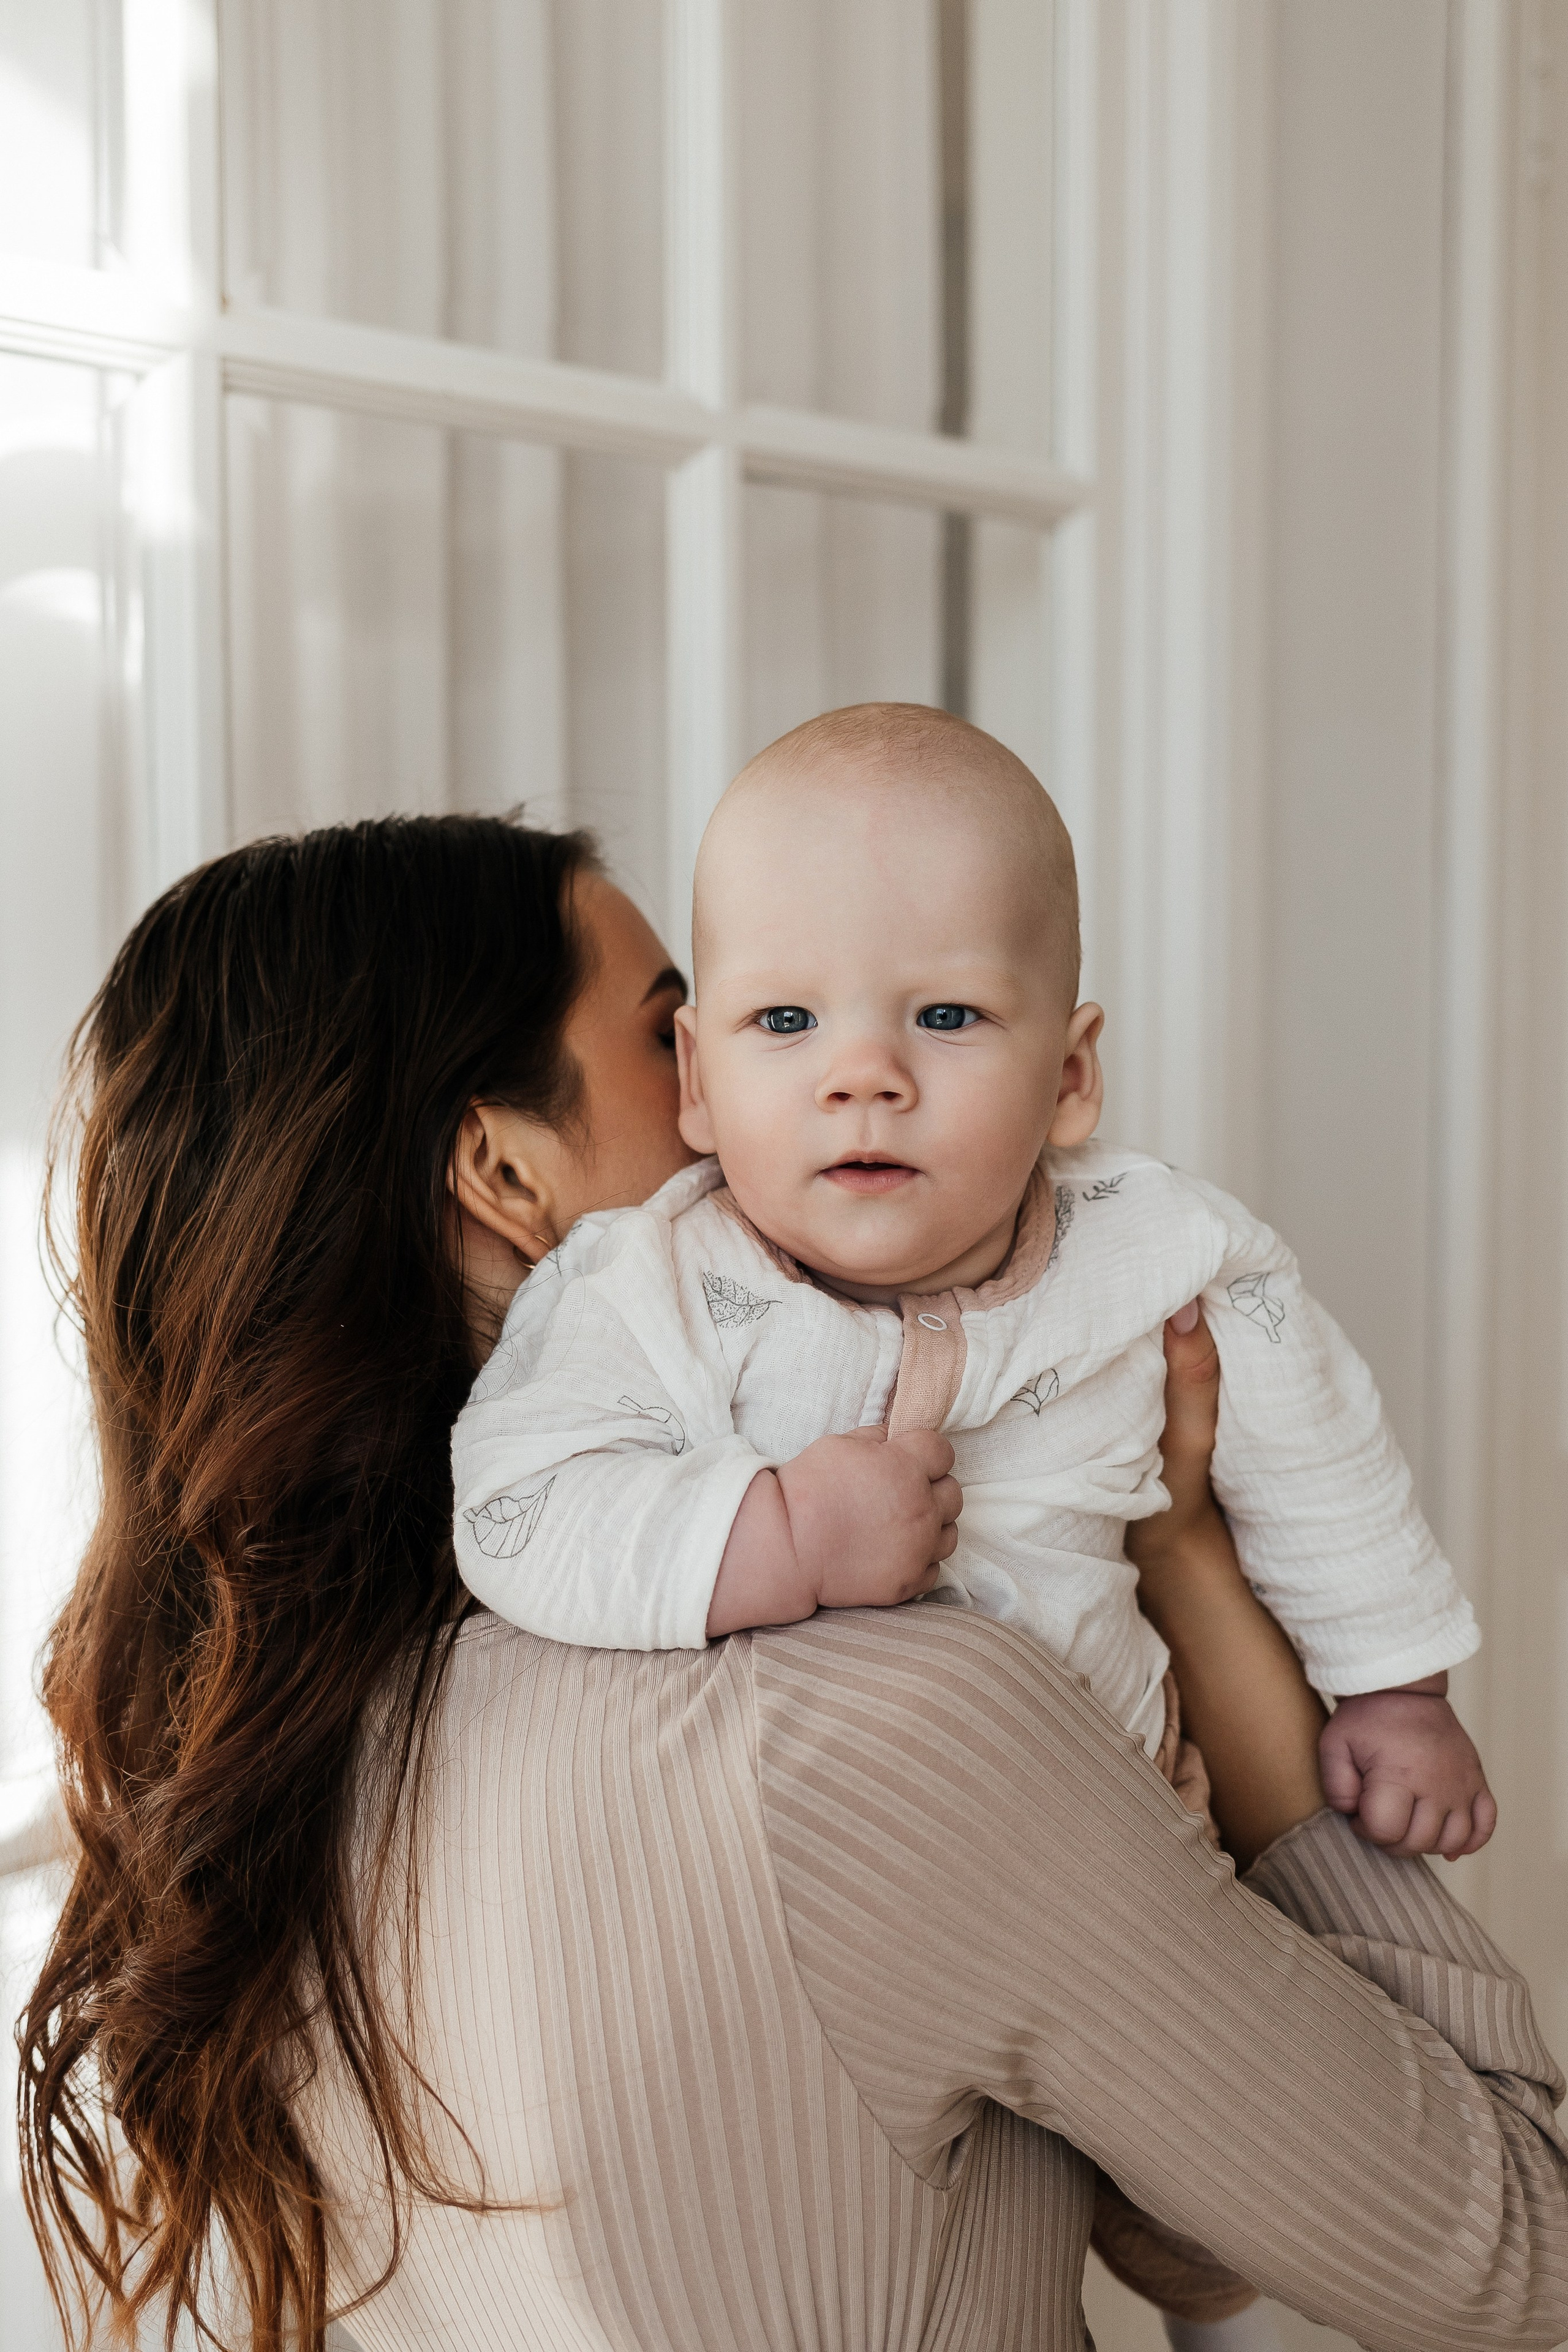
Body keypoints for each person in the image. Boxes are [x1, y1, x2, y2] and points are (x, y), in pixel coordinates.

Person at [20, 815, 1567, 2352]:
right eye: (683, 1040)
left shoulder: (229, 1778)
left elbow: (1159, 2210)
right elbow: (1520, 2258)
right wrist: (1190, 1565)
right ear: (501, 1169)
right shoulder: (884, 1720)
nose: (790, 1101)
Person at [453, 704, 1493, 1866]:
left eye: (946, 1016)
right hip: (850, 1858)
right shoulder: (647, 1285)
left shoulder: (1164, 1247)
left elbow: (1319, 1453)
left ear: (1070, 1076)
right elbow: (519, 1506)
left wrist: (1395, 1688)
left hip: (1145, 1830)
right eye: (786, 1019)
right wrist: (774, 1535)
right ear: (700, 1076)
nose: (863, 1077)